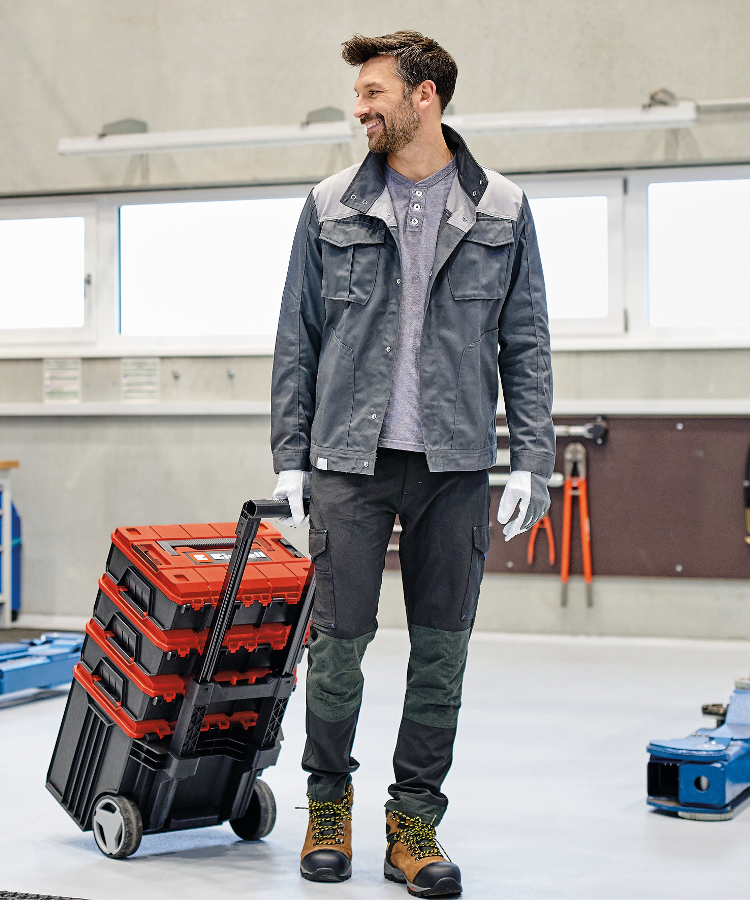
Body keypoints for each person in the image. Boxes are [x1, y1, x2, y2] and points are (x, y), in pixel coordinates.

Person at [271, 30, 555, 897]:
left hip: (456, 464)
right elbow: (298, 338)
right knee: (339, 648)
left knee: (440, 655)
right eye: (359, 95)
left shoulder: (501, 208)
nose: (360, 108)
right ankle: (327, 805)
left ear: (424, 96)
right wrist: (292, 457)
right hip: (350, 465)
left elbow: (527, 343)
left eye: (374, 93)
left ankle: (414, 826)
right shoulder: (329, 205)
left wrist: (530, 462)